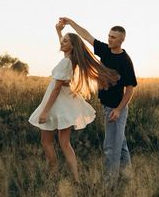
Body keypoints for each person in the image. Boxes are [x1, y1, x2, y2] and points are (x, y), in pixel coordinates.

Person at [29, 21, 120, 183]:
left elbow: (56, 89)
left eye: (65, 41)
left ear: (71, 46)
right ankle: (76, 179)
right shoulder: (71, 58)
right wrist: (59, 31)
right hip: (66, 105)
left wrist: (44, 111)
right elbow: (65, 46)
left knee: (46, 141)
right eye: (62, 40)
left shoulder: (66, 62)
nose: (61, 43)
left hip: (55, 104)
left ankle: (53, 171)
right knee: (65, 143)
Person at [59, 17, 137, 186]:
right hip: (108, 107)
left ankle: (108, 186)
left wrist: (118, 109)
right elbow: (86, 36)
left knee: (111, 148)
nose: (109, 39)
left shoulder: (125, 60)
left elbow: (130, 89)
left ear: (122, 40)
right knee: (121, 146)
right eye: (109, 36)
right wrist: (70, 23)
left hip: (116, 110)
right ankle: (127, 179)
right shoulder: (105, 50)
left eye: (113, 37)